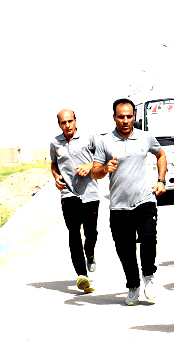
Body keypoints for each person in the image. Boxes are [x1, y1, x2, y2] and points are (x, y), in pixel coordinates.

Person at [92, 98, 167, 306]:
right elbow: (95, 172)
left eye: (129, 116)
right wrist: (105, 168)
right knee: (125, 249)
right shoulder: (105, 141)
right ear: (114, 117)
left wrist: (161, 180)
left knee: (148, 238)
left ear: (134, 117)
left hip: (144, 200)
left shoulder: (145, 137)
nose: (125, 121)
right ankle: (133, 285)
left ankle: (149, 276)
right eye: (121, 117)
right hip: (119, 206)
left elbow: (161, 155)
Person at [49, 109, 99, 294]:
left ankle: (90, 253)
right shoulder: (55, 143)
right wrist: (56, 177)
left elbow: (101, 159)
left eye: (70, 121)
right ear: (59, 124)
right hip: (68, 194)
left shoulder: (89, 138)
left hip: (90, 193)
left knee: (91, 233)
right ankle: (82, 275)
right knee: (73, 231)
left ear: (76, 121)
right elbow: (54, 165)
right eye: (63, 122)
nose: (67, 125)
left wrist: (89, 165)